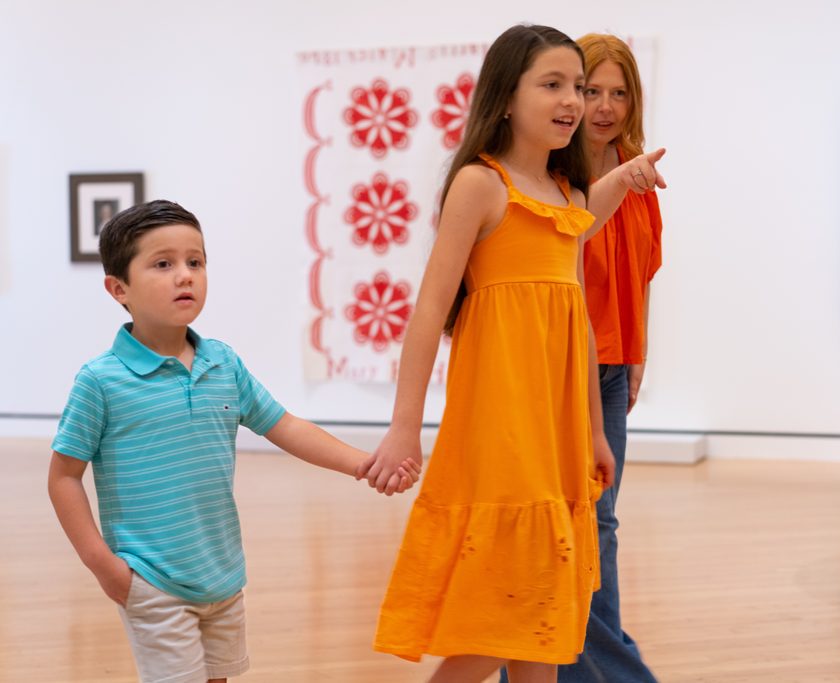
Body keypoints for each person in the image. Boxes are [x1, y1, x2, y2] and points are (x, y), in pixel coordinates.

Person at [355, 24, 665, 683]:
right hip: (501, 426)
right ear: (504, 97)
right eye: (552, 84)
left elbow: (576, 318)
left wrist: (593, 431)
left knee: (545, 623)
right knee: (508, 612)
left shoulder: (570, 195)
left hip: (557, 434)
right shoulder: (480, 184)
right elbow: (430, 309)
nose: (573, 101)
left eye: (576, 87)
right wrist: (404, 426)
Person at [47, 199, 420, 683]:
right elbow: (64, 478)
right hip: (150, 578)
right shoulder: (101, 381)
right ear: (118, 289)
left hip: (222, 574)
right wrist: (104, 565)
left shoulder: (222, 363)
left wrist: (364, 464)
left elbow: (285, 426)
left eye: (195, 262)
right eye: (163, 264)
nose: (185, 275)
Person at [560, 32, 663, 683]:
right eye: (591, 90)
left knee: (602, 521)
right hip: (563, 368)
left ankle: (556, 664)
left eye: (617, 92)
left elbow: (643, 276)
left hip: (614, 369)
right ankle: (617, 669)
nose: (604, 105)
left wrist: (637, 357)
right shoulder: (556, 175)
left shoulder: (641, 177)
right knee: (575, 523)